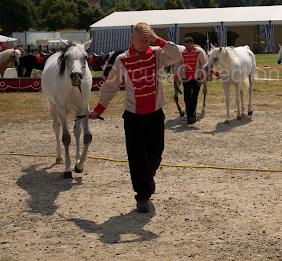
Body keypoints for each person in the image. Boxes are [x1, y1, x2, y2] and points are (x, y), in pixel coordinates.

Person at [87, 23, 181, 213]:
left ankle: (147, 179)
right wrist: (98, 110)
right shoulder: (122, 60)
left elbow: (177, 54)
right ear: (132, 38)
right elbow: (111, 86)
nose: (144, 43)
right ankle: (142, 196)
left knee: (156, 153)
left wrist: (156, 38)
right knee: (136, 157)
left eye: (147, 39)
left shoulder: (157, 53)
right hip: (133, 116)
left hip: (155, 114)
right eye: (141, 39)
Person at [174, 37, 206, 124]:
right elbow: (178, 65)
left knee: (194, 97)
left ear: (192, 44)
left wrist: (203, 76)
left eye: (189, 45)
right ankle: (189, 116)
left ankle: (192, 115)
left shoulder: (199, 52)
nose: (187, 47)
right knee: (186, 98)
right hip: (186, 78)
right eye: (186, 46)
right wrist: (176, 75)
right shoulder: (182, 53)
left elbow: (204, 65)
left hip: (197, 78)